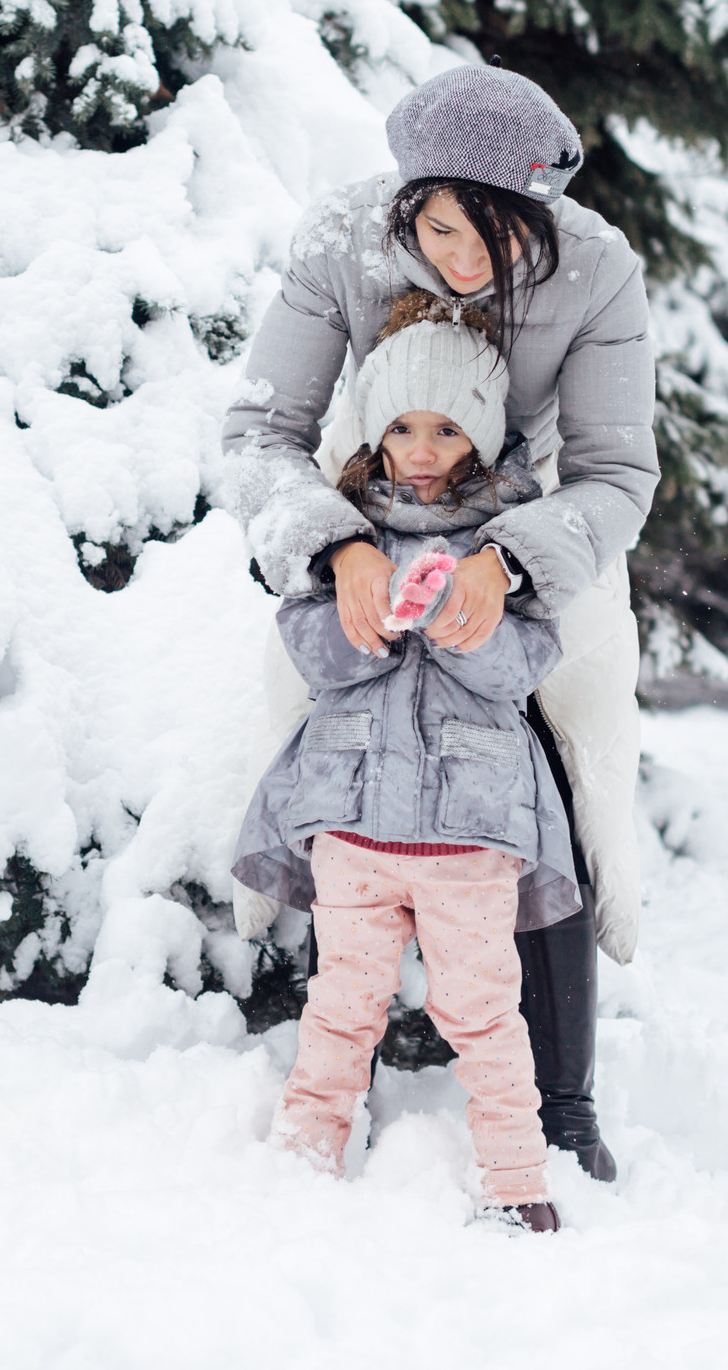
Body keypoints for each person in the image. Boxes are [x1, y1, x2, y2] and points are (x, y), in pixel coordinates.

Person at [220, 63, 654, 1182]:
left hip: (535, 514)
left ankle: (562, 1104)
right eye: (444, 230)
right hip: (366, 495)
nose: (467, 261)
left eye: (496, 238)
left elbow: (615, 474)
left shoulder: (598, 270)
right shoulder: (343, 242)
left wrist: (510, 565)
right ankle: (325, 1038)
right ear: (408, 202)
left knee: (563, 750)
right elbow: (259, 434)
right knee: (313, 717)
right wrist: (337, 546)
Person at [232, 294, 577, 1231]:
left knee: (484, 1012)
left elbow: (527, 666)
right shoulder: (344, 535)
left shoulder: (506, 548)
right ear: (376, 433)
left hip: (469, 831)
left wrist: (467, 626)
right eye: (401, 427)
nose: (421, 449)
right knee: (342, 1005)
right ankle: (303, 1160)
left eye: (447, 429)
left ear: (482, 436)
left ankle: (517, 1179)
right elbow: (311, 653)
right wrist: (372, 622)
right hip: (353, 823)